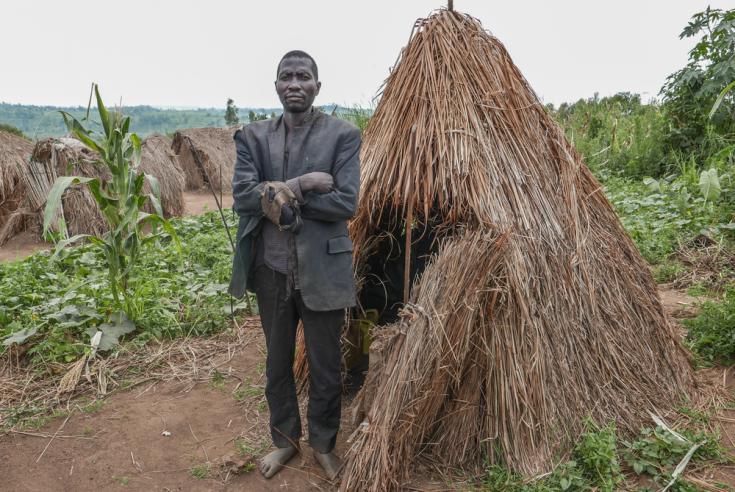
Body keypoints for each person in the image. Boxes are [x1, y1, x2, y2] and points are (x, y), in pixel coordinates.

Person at [228, 50, 361, 480]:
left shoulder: (342, 136)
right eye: (286, 77)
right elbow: (244, 198)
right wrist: (301, 184)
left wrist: (277, 198)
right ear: (276, 86)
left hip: (323, 269)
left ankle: (323, 443)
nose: (294, 84)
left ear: (317, 86)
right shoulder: (253, 137)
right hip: (272, 268)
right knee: (277, 362)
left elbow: (345, 202)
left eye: (304, 76)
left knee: (325, 365)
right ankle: (284, 442)